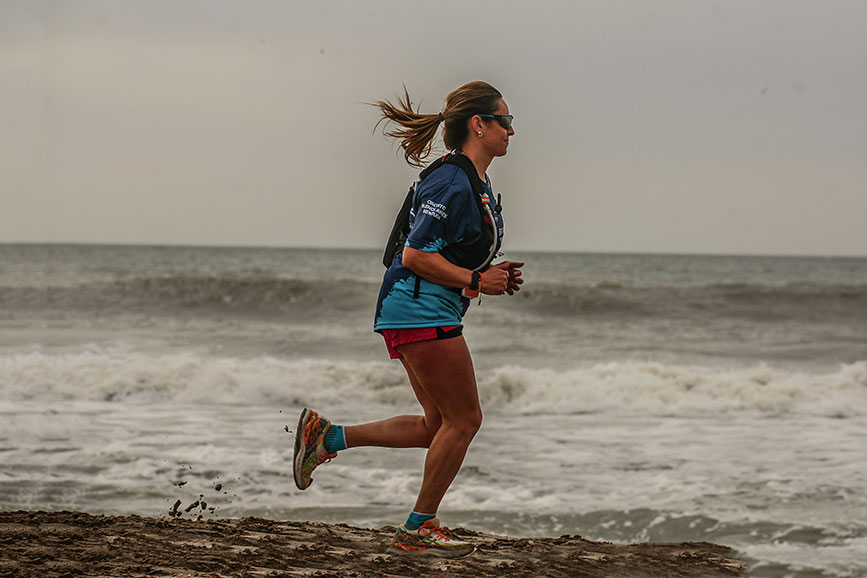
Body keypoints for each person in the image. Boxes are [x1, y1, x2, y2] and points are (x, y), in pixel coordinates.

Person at [293, 81, 523, 558]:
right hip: (418, 309)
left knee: (436, 425)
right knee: (465, 421)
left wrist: (484, 274)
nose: (511, 130)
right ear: (478, 125)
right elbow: (416, 254)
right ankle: (419, 526)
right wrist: (479, 282)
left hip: (415, 309)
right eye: (504, 120)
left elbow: (438, 254)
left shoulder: (469, 181)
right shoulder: (452, 180)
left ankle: (327, 437)